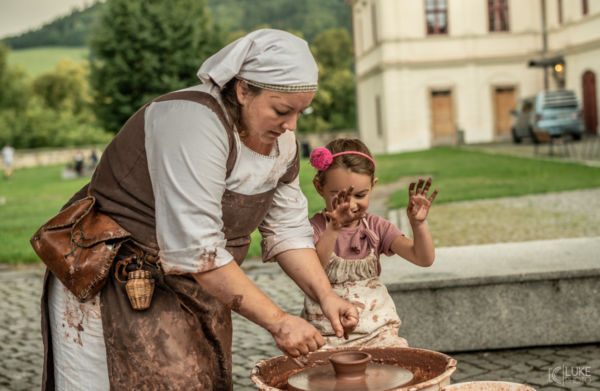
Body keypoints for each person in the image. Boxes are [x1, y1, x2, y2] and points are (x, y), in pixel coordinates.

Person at [40, 29, 358, 390]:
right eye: (282, 110)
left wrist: (326, 295)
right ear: (242, 90)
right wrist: (278, 321)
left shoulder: (282, 146)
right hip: (115, 279)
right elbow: (197, 249)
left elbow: (286, 231)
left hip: (199, 284)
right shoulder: (190, 121)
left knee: (201, 379)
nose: (292, 126)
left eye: (302, 112)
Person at [302, 138, 438, 349]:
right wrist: (334, 230)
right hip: (327, 333)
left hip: (378, 332)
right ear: (319, 187)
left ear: (372, 186)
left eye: (360, 195)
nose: (351, 204)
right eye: (339, 196)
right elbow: (312, 272)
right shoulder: (315, 229)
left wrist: (418, 224)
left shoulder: (377, 227)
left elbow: (423, 258)